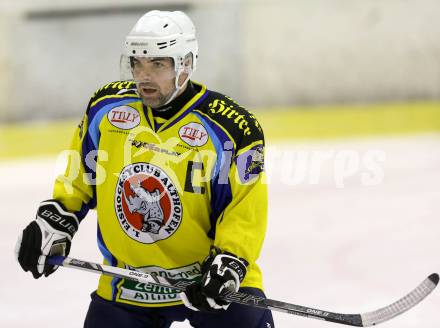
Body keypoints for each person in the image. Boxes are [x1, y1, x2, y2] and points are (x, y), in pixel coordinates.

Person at [15, 10, 274, 328]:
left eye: (158, 64)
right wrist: (55, 219)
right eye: (137, 63)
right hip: (130, 282)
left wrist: (230, 262)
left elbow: (244, 209)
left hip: (209, 280)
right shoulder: (107, 109)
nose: (144, 76)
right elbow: (80, 175)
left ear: (186, 64)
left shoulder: (232, 128)